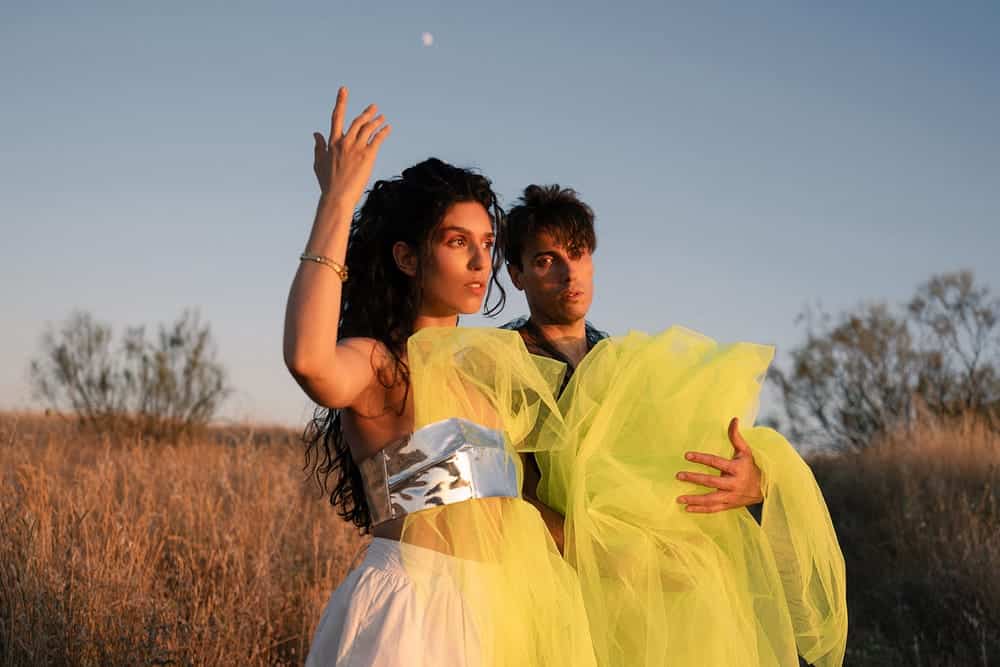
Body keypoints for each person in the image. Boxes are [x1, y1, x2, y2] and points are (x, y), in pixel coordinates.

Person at [284, 90, 595, 666]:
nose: (480, 262)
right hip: (411, 617)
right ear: (408, 258)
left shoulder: (488, 373)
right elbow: (309, 361)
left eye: (487, 244)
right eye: (457, 242)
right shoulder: (381, 364)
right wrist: (337, 200)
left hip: (497, 617)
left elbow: (526, 511)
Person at [502, 185, 848, 666]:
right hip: (556, 595)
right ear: (517, 274)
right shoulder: (505, 363)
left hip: (650, 603)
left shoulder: (627, 364)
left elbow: (666, 472)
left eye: (577, 254)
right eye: (546, 260)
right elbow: (507, 499)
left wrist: (753, 480)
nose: (568, 272)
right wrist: (616, 554)